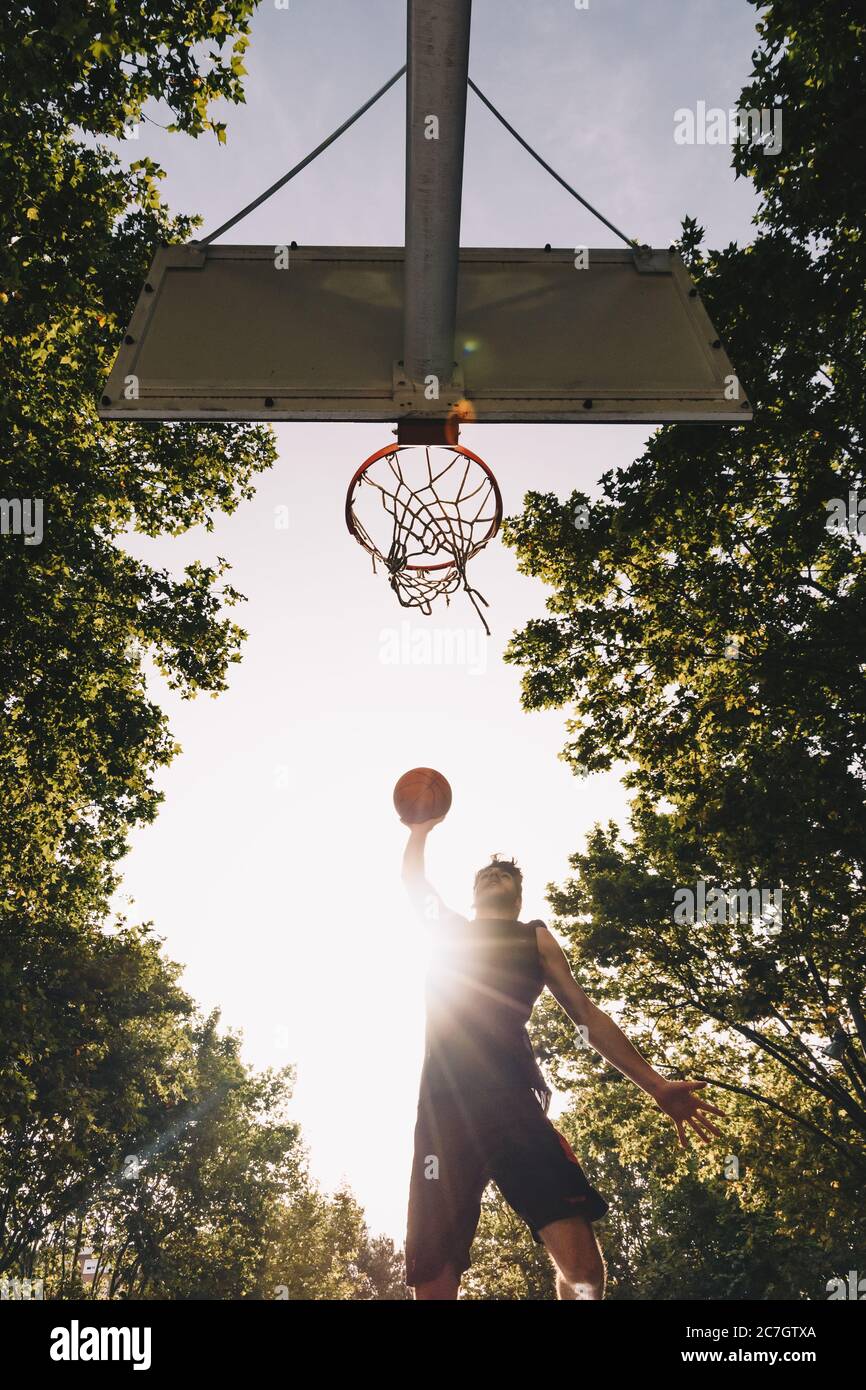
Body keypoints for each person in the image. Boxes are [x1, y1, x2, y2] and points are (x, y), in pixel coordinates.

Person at [401, 818, 724, 1301]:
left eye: (506, 873)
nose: (495, 873)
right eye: (485, 874)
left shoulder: (533, 937)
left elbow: (585, 1015)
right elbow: (414, 882)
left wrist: (655, 1085)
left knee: (585, 1273)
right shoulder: (449, 932)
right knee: (431, 1273)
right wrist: (420, 829)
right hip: (442, 1110)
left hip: (510, 1104)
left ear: (518, 897)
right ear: (472, 894)